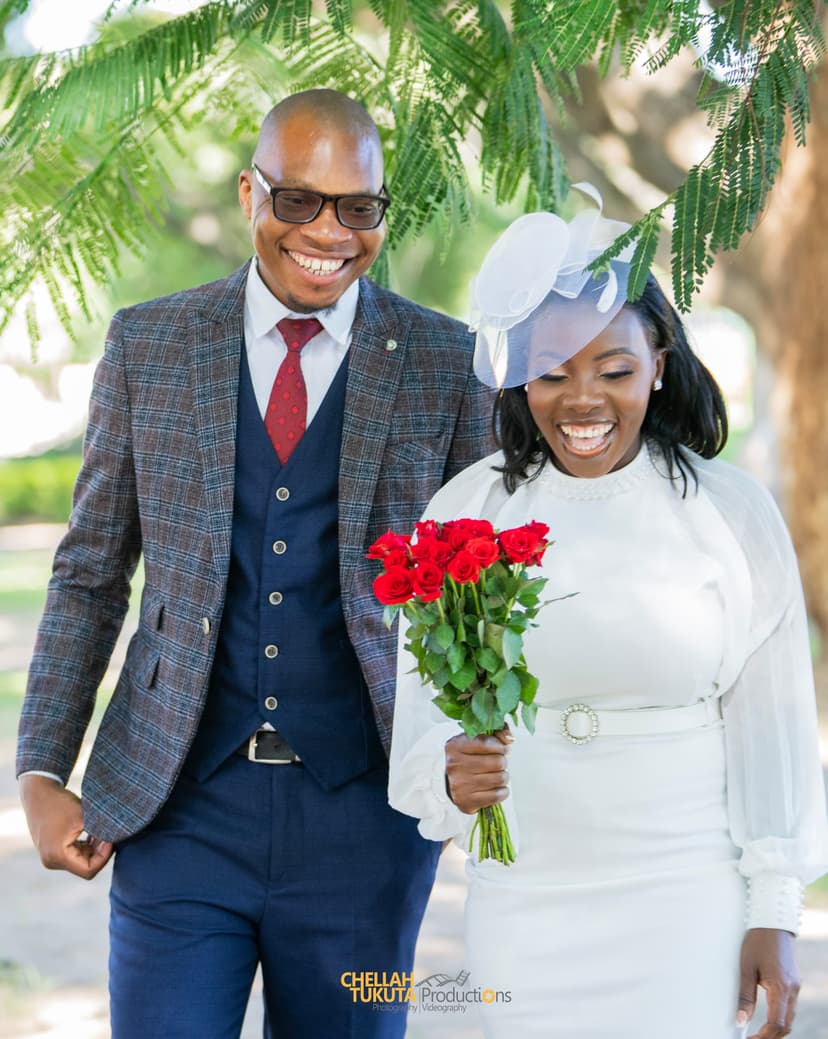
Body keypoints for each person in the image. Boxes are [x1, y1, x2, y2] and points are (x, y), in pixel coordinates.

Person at [16, 88, 492, 1038]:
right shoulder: (149, 345)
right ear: (249, 194)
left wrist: (476, 749)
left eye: (358, 208)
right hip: (178, 805)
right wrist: (39, 769)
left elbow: (474, 593)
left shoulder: (448, 362)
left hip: (368, 821)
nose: (328, 231)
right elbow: (89, 574)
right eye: (298, 200)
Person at [388, 188, 828, 1039]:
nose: (582, 401)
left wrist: (775, 905)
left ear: (659, 362)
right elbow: (417, 725)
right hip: (526, 901)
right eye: (552, 373)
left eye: (614, 370)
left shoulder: (730, 512)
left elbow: (770, 722)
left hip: (686, 899)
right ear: (519, 375)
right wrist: (448, 775)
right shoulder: (462, 515)